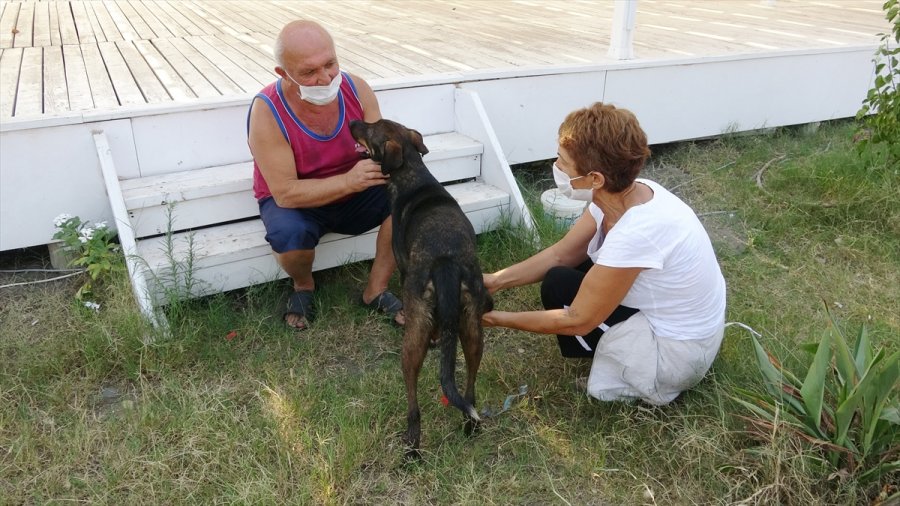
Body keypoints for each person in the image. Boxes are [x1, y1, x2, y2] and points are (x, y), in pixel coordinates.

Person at [482, 102, 726, 405]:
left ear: (596, 179)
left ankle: (631, 378)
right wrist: (494, 281)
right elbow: (561, 255)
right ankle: (612, 349)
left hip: (677, 358)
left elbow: (576, 320)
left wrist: (495, 319)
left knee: (566, 293)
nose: (557, 168)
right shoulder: (626, 194)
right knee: (561, 278)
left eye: (563, 162)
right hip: (688, 331)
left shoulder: (638, 231)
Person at [247, 20, 404, 330]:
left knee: (407, 199)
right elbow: (285, 193)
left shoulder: (356, 89)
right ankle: (303, 285)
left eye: (330, 64)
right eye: (309, 72)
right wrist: (348, 181)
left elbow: (379, 148)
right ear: (283, 74)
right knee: (289, 238)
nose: (325, 77)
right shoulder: (267, 111)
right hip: (298, 200)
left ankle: (376, 289)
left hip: (354, 188)